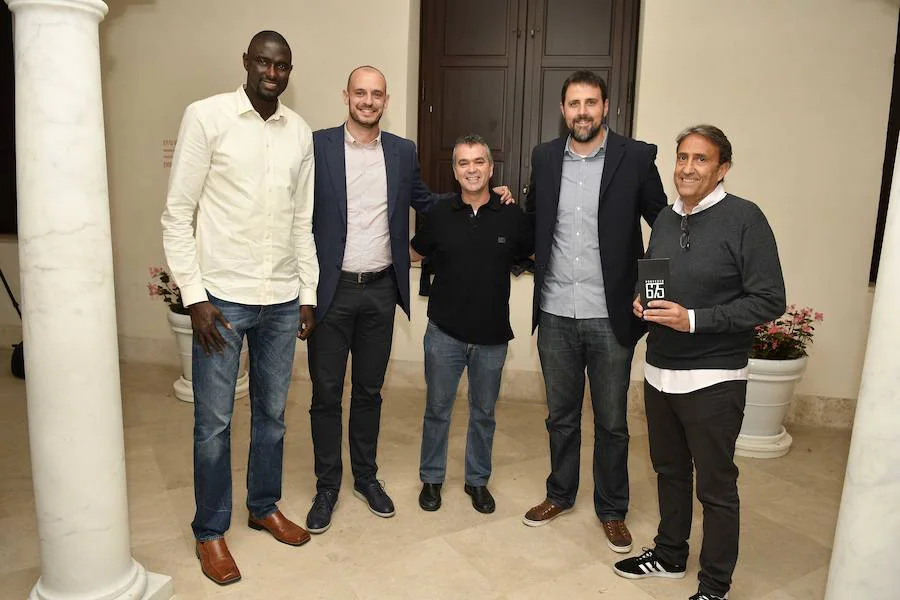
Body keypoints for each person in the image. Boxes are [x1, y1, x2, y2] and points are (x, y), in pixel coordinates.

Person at [305, 66, 512, 533]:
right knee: (325, 395)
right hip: (331, 291)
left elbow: (429, 202)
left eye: (376, 94)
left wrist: (480, 196)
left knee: (369, 392)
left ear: (386, 100)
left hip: (380, 290)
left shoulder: (401, 151)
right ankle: (327, 487)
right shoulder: (318, 146)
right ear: (346, 96)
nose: (368, 100)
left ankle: (366, 478)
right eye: (360, 92)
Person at [161, 30, 317, 586]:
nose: (273, 73)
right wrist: (195, 297)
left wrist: (309, 293)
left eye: (283, 66)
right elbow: (177, 215)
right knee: (214, 422)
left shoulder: (298, 132)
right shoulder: (206, 117)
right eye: (264, 63)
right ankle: (210, 531)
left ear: (289, 71)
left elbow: (302, 220)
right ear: (247, 62)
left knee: (273, 416)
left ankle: (263, 505)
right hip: (222, 301)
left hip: (281, 300)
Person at [613, 125, 785, 600]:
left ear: (722, 168)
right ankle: (669, 554)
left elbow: (770, 300)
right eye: (682, 157)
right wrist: (641, 303)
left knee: (716, 488)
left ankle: (714, 586)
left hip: (714, 378)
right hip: (659, 371)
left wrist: (694, 320)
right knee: (668, 471)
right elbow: (654, 280)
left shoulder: (745, 219)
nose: (687, 168)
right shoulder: (667, 218)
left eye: (701, 159)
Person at [522, 70, 667, 555]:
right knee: (560, 416)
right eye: (573, 104)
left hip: (612, 317)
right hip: (557, 313)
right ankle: (560, 494)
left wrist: (652, 294)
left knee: (611, 422)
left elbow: (663, 229)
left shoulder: (637, 157)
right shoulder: (544, 158)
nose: (582, 112)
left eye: (590, 103)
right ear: (562, 110)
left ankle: (612, 509)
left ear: (606, 107)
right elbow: (531, 224)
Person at [410, 134, 533, 514]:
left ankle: (477, 481)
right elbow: (414, 253)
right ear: (454, 171)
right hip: (443, 333)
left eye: (479, 161)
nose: (472, 169)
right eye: (463, 163)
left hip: (492, 337)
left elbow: (531, 253)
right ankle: (431, 479)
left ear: (491, 167)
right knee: (437, 409)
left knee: (484, 413)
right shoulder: (439, 215)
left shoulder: (512, 216)